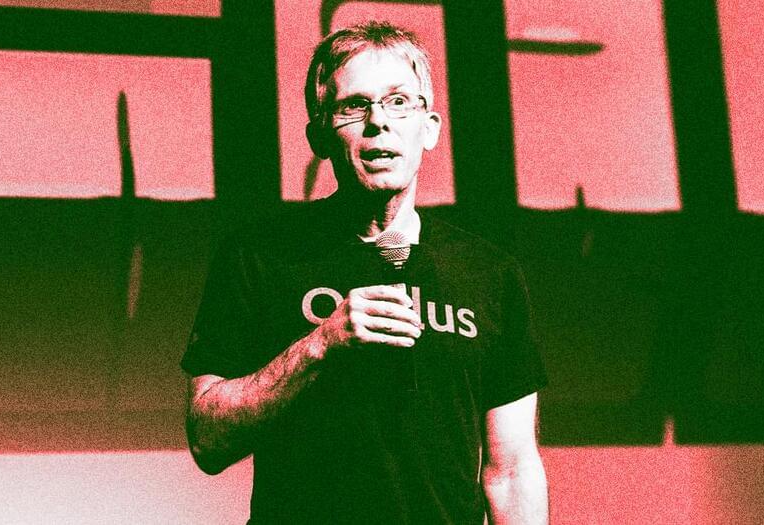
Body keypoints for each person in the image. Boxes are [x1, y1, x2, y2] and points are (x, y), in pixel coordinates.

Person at [182, 21, 548, 524]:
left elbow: (512, 471)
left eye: (399, 102)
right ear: (319, 136)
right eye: (354, 106)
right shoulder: (259, 256)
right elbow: (207, 439)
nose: (379, 121)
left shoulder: (488, 272)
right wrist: (320, 345)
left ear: (430, 128)